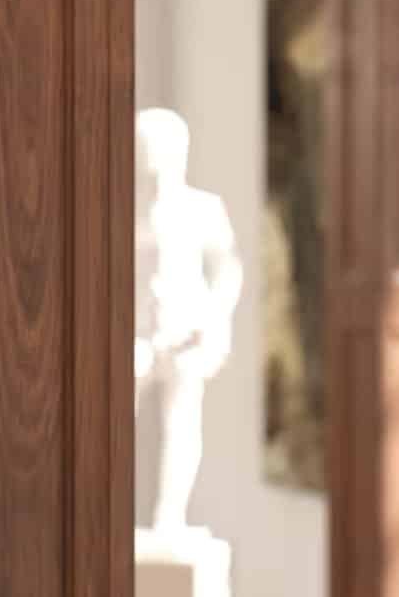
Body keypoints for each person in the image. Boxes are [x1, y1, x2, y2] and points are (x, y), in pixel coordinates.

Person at [134, 108, 243, 534]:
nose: (149, 160)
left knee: (181, 424)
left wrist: (214, 319)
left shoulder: (202, 209)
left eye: (155, 150)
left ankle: (170, 517)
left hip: (186, 332)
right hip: (139, 333)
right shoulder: (122, 207)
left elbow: (227, 270)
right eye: (143, 150)